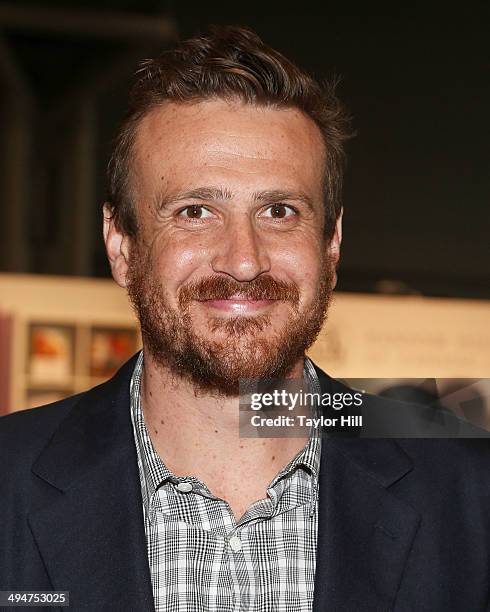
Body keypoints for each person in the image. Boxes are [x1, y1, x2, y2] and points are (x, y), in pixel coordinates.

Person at [1, 26, 489, 612]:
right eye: (196, 210)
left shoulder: (470, 494)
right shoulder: (8, 481)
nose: (243, 259)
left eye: (280, 210)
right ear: (121, 244)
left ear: (331, 242)